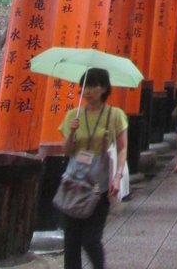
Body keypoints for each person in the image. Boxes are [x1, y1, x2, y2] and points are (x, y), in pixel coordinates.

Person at [58, 68, 128, 269]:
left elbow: (123, 149)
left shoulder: (115, 115)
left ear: (104, 88)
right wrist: (71, 133)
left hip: (99, 185)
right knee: (71, 241)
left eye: (93, 85)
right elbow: (66, 150)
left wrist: (117, 176)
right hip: (73, 182)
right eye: (85, 86)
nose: (87, 91)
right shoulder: (73, 115)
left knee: (91, 239)